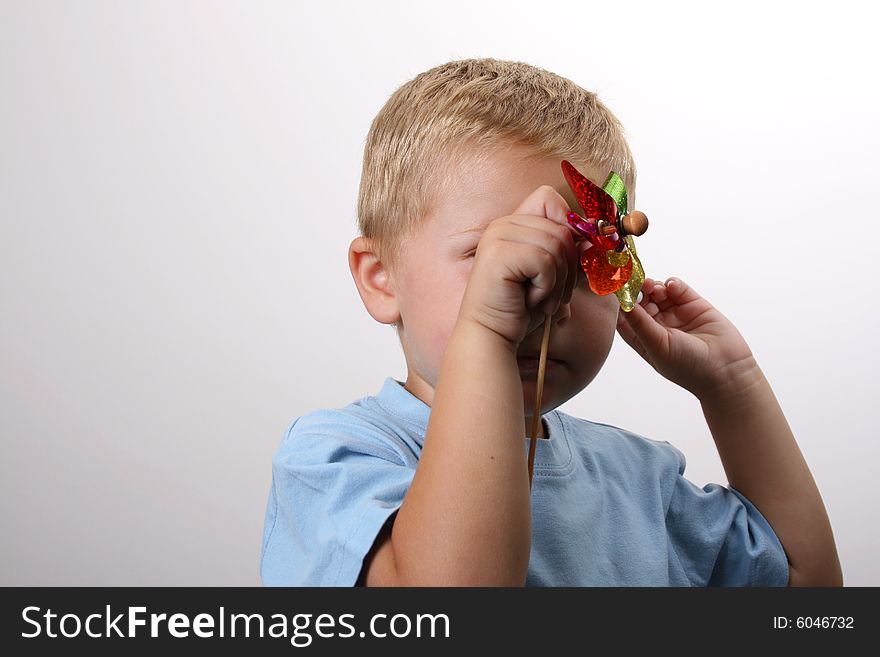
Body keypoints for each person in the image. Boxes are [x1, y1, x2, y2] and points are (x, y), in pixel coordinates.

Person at [260, 58, 842, 586]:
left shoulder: (640, 479)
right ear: (379, 276)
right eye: (496, 255)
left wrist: (732, 385)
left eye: (585, 264)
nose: (548, 294)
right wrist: (485, 333)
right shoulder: (336, 458)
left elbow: (809, 602)